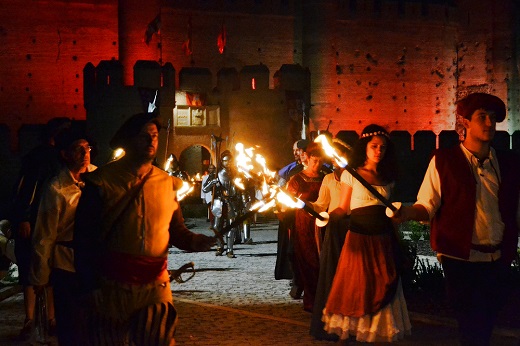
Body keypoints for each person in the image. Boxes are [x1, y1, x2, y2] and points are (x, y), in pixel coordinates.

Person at [73, 112, 215, 345]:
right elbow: (84, 239)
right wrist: (90, 287)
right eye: (144, 136)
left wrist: (193, 241)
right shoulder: (101, 182)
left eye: (155, 136)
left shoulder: (167, 183)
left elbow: (176, 229)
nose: (151, 141)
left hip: (155, 286)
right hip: (112, 285)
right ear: (129, 141)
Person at [392, 93, 520, 346]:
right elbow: (426, 205)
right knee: (469, 326)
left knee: (487, 323)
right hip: (460, 259)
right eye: (481, 117)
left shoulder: (507, 163)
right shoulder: (444, 161)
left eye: (493, 118)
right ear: (465, 123)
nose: (489, 123)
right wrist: (406, 213)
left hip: (497, 257)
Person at [322, 124, 411, 343]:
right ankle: (359, 330)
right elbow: (343, 208)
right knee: (359, 285)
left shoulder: (388, 178)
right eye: (374, 146)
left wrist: (397, 240)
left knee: (383, 283)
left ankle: (378, 330)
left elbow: (389, 213)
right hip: (359, 239)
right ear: (365, 147)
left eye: (382, 147)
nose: (378, 151)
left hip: (382, 239)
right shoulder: (350, 175)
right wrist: (326, 215)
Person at [29, 128, 96, 345]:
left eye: (87, 148)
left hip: (93, 262)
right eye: (78, 149)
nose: (84, 153)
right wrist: (40, 276)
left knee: (94, 325)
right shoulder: (56, 189)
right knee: (70, 325)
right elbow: (44, 235)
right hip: (66, 265)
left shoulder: (98, 178)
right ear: (65, 154)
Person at [10, 117, 71, 340]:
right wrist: (24, 218)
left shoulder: (60, 158)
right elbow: (27, 189)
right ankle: (30, 318)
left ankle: (52, 318)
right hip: (34, 221)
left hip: (51, 222)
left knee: (50, 272)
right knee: (29, 270)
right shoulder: (41, 157)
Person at [309, 138, 352, 341]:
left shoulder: (355, 177)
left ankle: (351, 326)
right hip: (334, 230)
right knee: (332, 276)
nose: (336, 160)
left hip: (353, 229)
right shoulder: (328, 179)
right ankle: (332, 325)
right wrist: (306, 205)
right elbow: (321, 204)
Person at [286, 142, 326, 312]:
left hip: (323, 223)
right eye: (314, 161)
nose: (317, 165)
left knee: (323, 260)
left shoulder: (326, 177)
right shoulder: (297, 180)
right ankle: (311, 298)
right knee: (308, 260)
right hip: (304, 225)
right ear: (307, 159)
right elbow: (287, 204)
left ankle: (325, 297)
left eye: (320, 161)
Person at [202, 150, 240, 258]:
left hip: (231, 201)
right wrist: (212, 182)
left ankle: (230, 249)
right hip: (219, 201)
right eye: (225, 161)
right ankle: (220, 246)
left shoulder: (235, 173)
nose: (228, 163)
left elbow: (241, 189)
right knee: (216, 226)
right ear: (222, 161)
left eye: (229, 161)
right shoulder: (215, 174)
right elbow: (205, 189)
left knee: (231, 226)